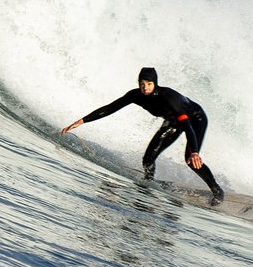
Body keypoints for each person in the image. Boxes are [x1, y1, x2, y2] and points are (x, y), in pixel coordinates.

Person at [61, 66, 225, 205]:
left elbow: (187, 126)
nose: (145, 87)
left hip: (195, 119)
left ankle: (217, 191)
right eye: (142, 84)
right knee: (148, 159)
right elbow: (110, 108)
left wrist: (195, 152)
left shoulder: (169, 98)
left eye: (149, 84)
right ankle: (148, 184)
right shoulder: (136, 95)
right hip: (172, 121)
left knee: (190, 160)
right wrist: (82, 121)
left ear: (155, 83)